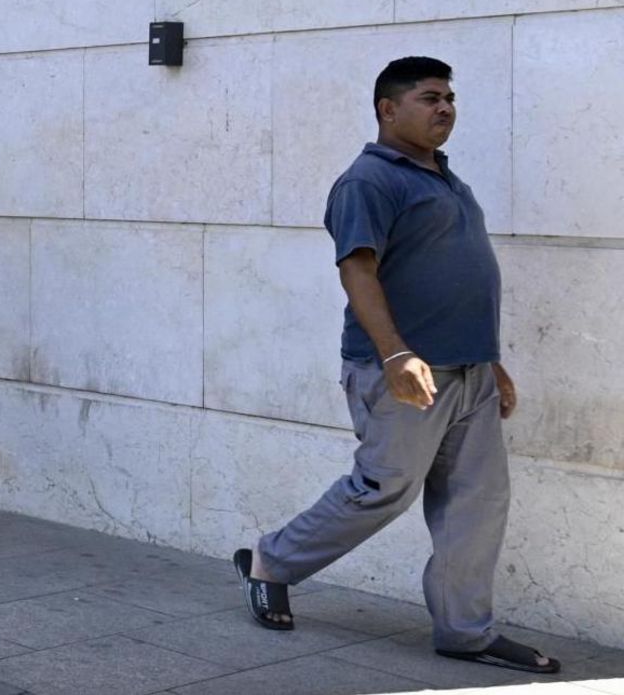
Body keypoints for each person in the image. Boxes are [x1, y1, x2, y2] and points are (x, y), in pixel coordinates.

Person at [235, 57, 556, 675]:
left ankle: (466, 631)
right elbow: (357, 268)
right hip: (402, 372)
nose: (445, 108)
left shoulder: (443, 178)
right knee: (382, 490)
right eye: (430, 97)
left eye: (451, 98)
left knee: (477, 501)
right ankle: (270, 561)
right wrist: (396, 355)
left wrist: (492, 362)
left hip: (470, 373)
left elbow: (459, 276)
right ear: (388, 109)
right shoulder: (368, 181)